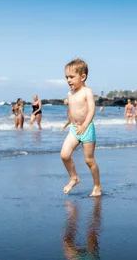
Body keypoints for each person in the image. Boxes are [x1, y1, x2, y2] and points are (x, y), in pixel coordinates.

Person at [60, 59, 101, 197]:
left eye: (72, 77)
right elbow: (72, 111)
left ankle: (97, 186)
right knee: (64, 155)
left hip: (87, 128)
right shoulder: (69, 94)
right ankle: (74, 178)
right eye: (67, 77)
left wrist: (84, 125)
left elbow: (91, 111)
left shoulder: (87, 92)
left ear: (82, 77)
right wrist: (69, 121)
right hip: (74, 128)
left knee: (89, 160)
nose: (68, 80)